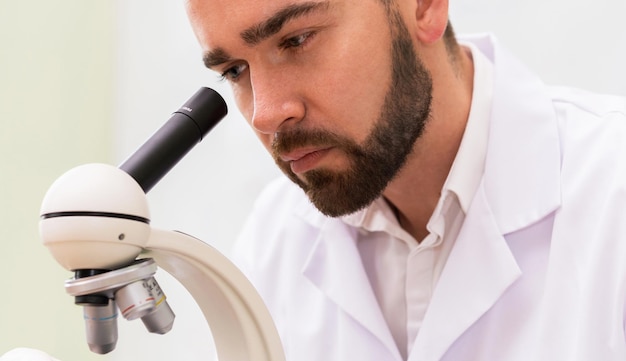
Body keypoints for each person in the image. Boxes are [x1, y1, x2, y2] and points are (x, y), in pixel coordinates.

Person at [185, 0, 626, 360]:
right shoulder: (272, 242)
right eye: (234, 72)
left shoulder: (612, 189)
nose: (265, 114)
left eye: (297, 40)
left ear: (424, 7)